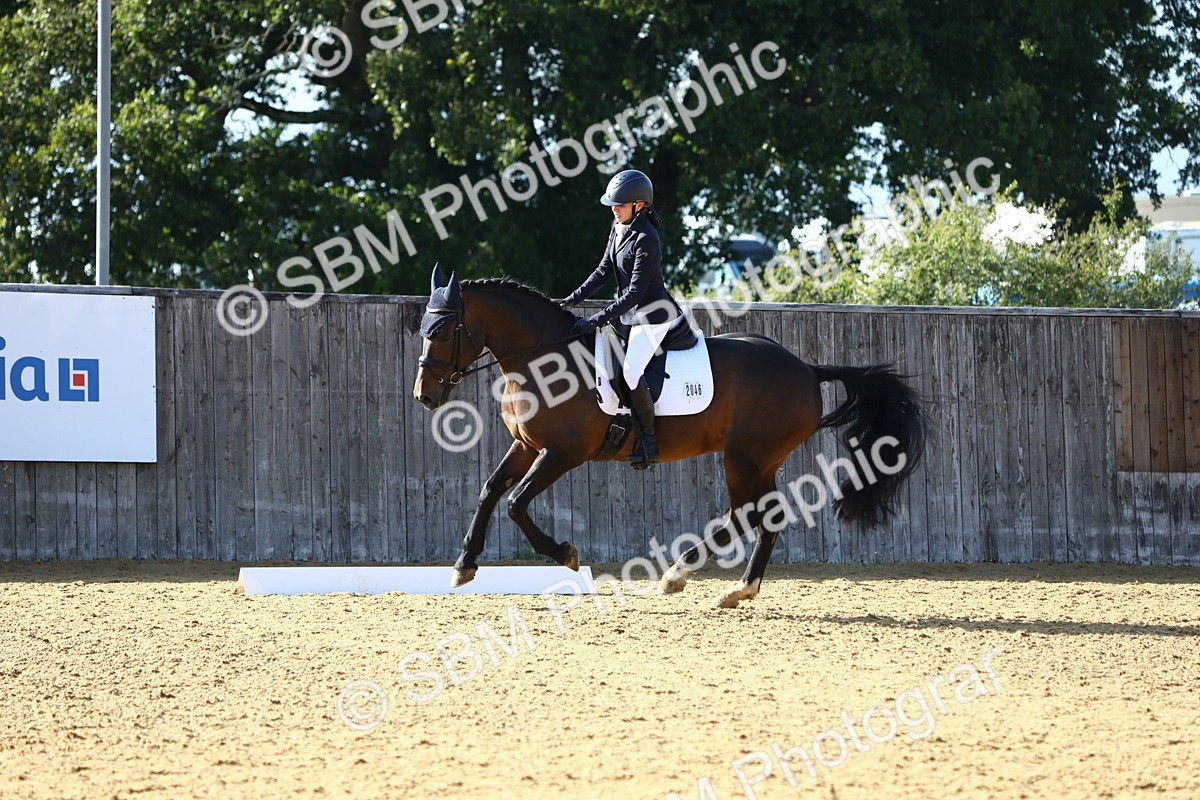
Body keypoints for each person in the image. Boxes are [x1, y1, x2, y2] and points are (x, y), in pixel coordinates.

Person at [560, 169, 687, 470]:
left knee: (630, 374)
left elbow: (633, 294)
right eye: (614, 205)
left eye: (620, 204)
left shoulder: (647, 239)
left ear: (639, 205)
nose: (614, 209)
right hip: (627, 316)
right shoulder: (618, 227)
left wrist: (596, 319)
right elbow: (604, 270)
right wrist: (571, 299)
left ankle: (649, 444)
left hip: (652, 315)